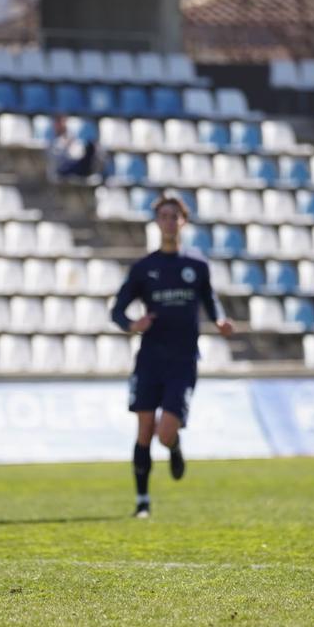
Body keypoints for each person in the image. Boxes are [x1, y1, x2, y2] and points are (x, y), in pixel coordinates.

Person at [110, 196, 234, 519]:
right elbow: (117, 310)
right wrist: (131, 324)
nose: (168, 221)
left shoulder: (196, 265)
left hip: (182, 360)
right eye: (163, 216)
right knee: (144, 429)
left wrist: (219, 319)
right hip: (150, 359)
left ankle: (174, 447)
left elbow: (211, 299)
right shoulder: (144, 268)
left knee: (165, 432)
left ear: (183, 221)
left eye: (173, 216)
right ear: (156, 222)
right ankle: (142, 501)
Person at [48, 114, 98, 179]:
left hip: (75, 164)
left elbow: (78, 153)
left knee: (90, 147)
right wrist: (65, 147)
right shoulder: (52, 140)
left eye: (63, 121)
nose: (62, 124)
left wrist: (71, 145)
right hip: (62, 169)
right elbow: (55, 158)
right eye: (59, 122)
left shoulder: (70, 136)